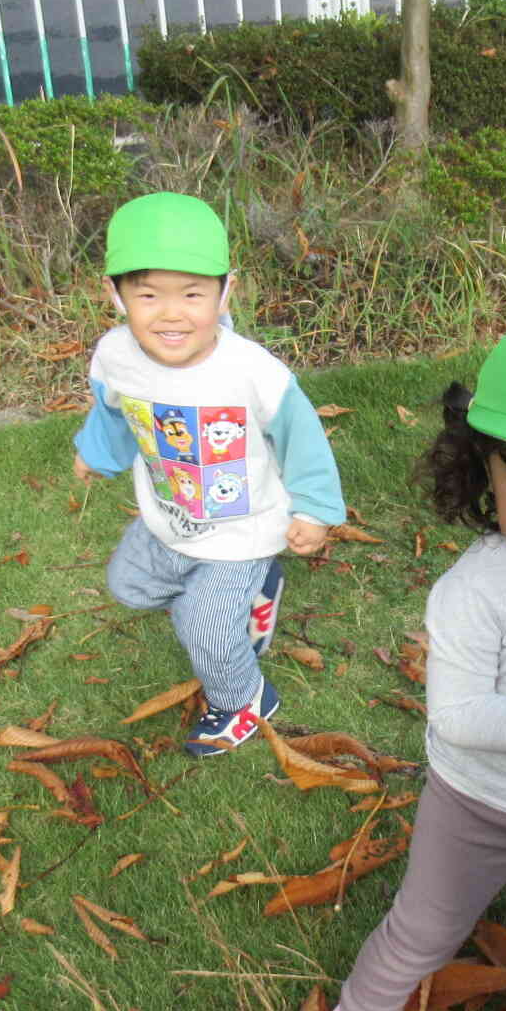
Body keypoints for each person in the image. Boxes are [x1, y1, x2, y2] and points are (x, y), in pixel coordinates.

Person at [306, 314, 506, 1011]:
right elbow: (456, 714)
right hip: (481, 804)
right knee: (426, 926)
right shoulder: (479, 589)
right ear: (480, 474)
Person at [72, 192, 343, 755]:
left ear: (226, 293)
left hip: (242, 531)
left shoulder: (252, 372)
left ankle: (245, 698)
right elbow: (113, 408)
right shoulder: (117, 356)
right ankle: (257, 591)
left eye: (192, 294)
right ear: (115, 296)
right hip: (169, 516)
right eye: (149, 295)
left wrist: (314, 508)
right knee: (129, 586)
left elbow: (303, 438)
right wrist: (97, 453)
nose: (172, 314)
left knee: (205, 627)